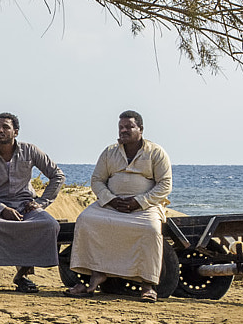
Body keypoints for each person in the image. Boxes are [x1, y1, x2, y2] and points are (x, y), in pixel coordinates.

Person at [66, 110, 172, 301]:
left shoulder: (156, 152)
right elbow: (97, 180)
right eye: (121, 127)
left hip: (145, 207)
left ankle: (147, 284)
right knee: (85, 220)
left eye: (129, 127)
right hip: (111, 204)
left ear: (141, 129)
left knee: (151, 229)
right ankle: (95, 275)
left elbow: (165, 184)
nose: (124, 131)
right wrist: (111, 200)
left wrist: (138, 201)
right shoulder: (109, 152)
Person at [0, 112, 65, 292]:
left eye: (5, 127)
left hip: (25, 204)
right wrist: (1, 208)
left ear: (16, 132)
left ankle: (22, 276)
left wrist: (42, 203)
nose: (0, 130)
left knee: (49, 224)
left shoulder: (30, 150)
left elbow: (57, 175)